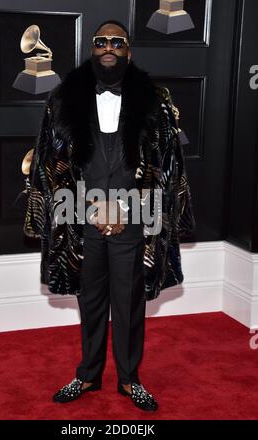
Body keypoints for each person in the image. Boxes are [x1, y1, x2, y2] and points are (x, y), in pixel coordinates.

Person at [23, 19, 196, 412]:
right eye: (101, 41)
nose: (109, 46)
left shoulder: (156, 100)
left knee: (129, 302)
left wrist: (126, 208)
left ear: (128, 52)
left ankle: (130, 379)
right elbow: (51, 166)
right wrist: (90, 206)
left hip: (133, 220)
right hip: (81, 218)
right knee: (91, 299)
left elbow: (167, 169)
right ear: (93, 49)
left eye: (117, 42)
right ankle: (87, 373)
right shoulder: (63, 99)